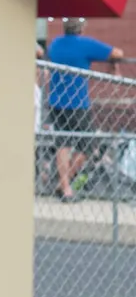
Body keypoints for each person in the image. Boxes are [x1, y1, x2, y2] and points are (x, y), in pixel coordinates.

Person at [45, 18, 125, 201]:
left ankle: (64, 185)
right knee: (88, 145)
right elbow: (117, 52)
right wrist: (113, 64)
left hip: (56, 101)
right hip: (77, 104)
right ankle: (67, 183)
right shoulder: (85, 44)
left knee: (62, 144)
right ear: (81, 28)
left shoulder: (56, 43)